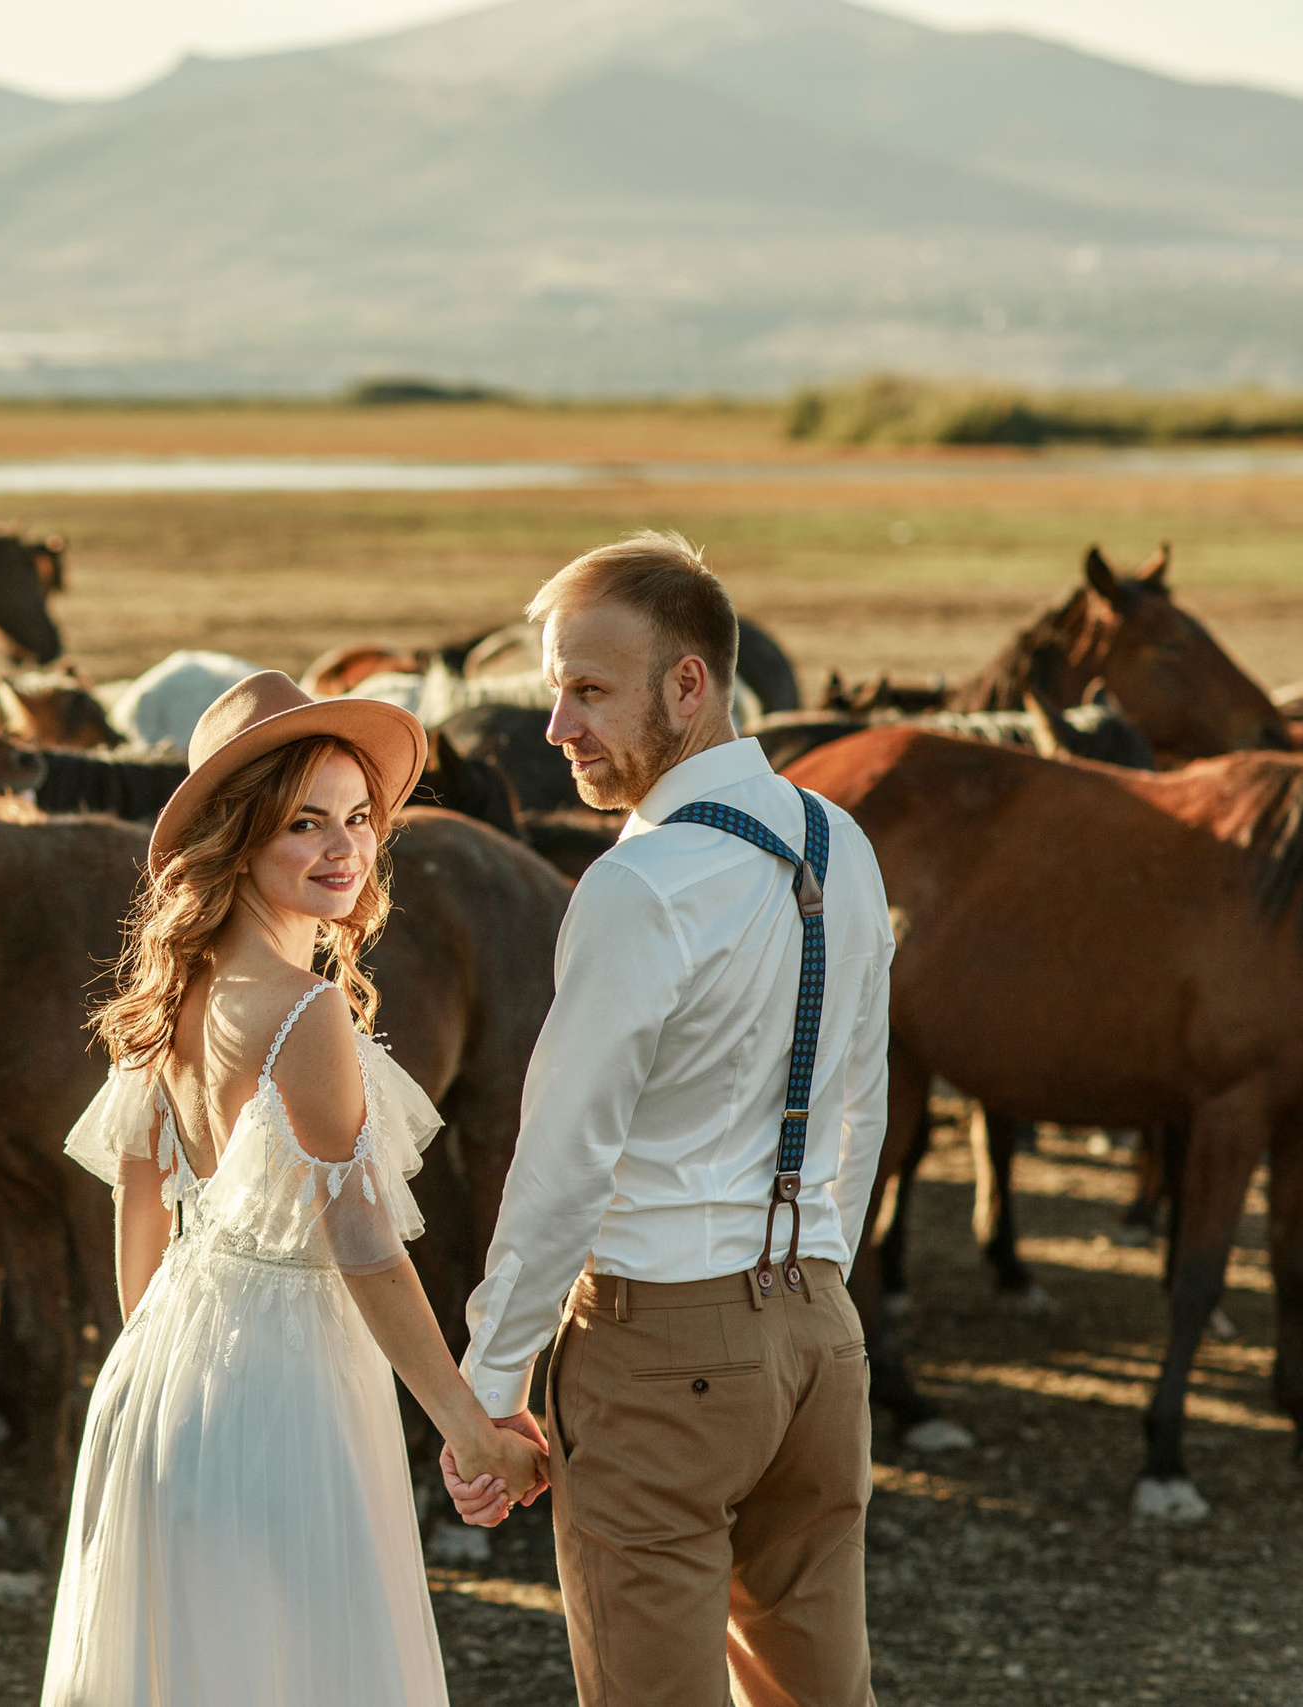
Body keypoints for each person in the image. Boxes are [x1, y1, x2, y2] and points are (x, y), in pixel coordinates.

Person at [446, 531, 895, 1706]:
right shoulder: (839, 840)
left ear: (687, 684)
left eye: (588, 690)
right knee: (818, 1694)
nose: (557, 729)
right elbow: (862, 1095)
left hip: (660, 1355)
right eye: (554, 691)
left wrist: (490, 1387)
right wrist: (823, 1274)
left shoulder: (635, 887)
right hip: (821, 1339)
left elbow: (561, 1160)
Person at [42, 669, 543, 1706]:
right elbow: (364, 1249)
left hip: (164, 1372)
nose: (343, 848)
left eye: (359, 820)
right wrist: (468, 1428)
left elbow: (140, 1231)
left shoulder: (172, 993)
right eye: (304, 824)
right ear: (237, 839)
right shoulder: (301, 1011)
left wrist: (171, 1375)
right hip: (285, 1383)